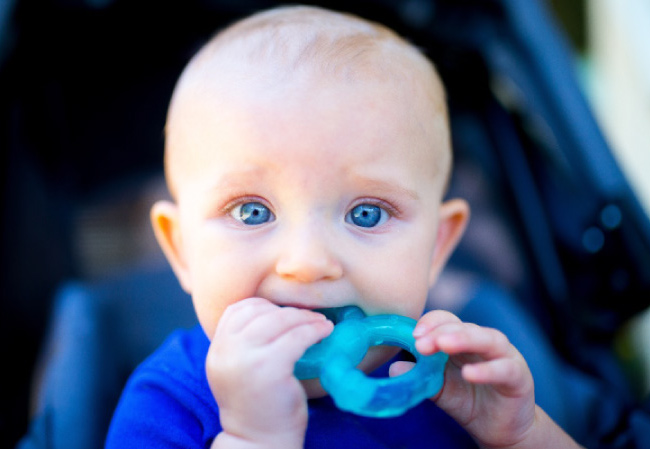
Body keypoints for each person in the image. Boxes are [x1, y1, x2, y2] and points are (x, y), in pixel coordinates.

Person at [105, 5, 580, 448]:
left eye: (366, 213)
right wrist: (252, 438)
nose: (308, 263)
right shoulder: (171, 401)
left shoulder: (465, 383)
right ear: (182, 249)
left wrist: (523, 435)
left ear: (436, 246)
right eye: (252, 211)